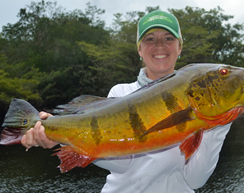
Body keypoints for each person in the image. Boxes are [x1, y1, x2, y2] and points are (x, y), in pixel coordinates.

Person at [21, 10, 232, 193]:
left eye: (169, 38)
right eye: (150, 39)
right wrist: (59, 135)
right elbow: (123, 165)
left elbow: (196, 179)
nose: (159, 45)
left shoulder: (200, 101)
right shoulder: (122, 92)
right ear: (140, 50)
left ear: (180, 48)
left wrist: (220, 124)